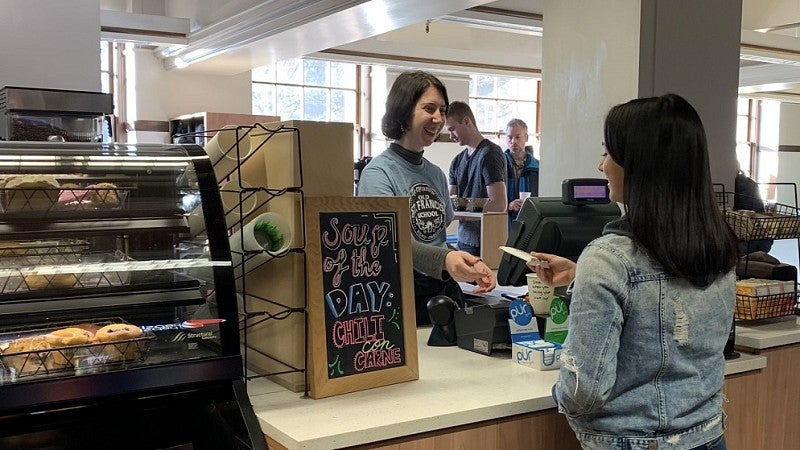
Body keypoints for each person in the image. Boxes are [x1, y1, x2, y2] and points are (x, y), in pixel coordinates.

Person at [526, 93, 737, 450]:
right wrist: (583, 276)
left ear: (638, 164)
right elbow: (670, 305)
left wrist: (559, 395)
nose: (601, 165)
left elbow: (584, 391)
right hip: (708, 437)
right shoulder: (718, 248)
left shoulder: (608, 260)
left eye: (608, 153)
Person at [357, 71, 495, 324]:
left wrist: (469, 263)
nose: (438, 118)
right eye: (429, 108)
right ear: (404, 111)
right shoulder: (378, 173)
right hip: (398, 301)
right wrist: (445, 259)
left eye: (442, 110)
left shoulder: (436, 174)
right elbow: (386, 244)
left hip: (443, 297)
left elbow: (437, 241)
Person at [446, 101, 507, 256]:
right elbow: (451, 203)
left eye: (452, 129)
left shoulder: (490, 153)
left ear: (467, 121)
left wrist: (462, 209)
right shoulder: (457, 161)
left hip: (486, 242)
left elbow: (499, 204)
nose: (451, 136)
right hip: (463, 240)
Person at [503, 118, 539, 227]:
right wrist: (508, 206)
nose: (513, 141)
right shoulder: (499, 166)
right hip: (506, 225)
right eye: (509, 137)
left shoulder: (538, 167)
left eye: (517, 137)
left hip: (532, 224)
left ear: (526, 138)